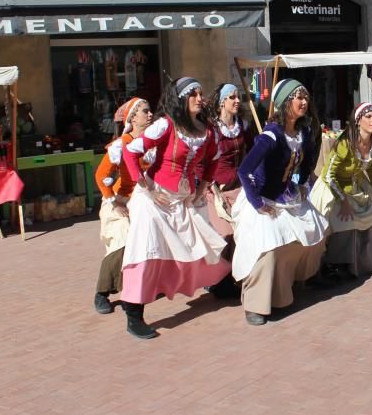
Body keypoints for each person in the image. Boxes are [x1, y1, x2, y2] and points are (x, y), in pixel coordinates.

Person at [119, 78, 230, 340]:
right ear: (181, 98)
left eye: (201, 93)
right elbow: (130, 152)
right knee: (147, 252)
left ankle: (220, 285)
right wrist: (146, 186)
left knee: (201, 244)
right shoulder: (165, 125)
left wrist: (202, 188)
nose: (200, 98)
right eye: (194, 93)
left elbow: (213, 160)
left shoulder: (207, 130)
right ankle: (133, 315)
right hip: (154, 201)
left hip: (183, 200)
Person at [231, 79, 328, 326]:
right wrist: (256, 203)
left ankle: (291, 283)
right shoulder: (271, 135)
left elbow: (306, 163)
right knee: (268, 247)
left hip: (288, 196)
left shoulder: (303, 132)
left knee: (317, 233)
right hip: (262, 198)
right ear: (286, 102)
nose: (304, 102)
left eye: (306, 97)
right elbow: (244, 171)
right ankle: (255, 304)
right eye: (298, 97)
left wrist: (303, 183)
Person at [310, 102, 372, 277]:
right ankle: (335, 264)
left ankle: (369, 258)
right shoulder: (345, 143)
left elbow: (371, 169)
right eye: (369, 117)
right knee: (344, 221)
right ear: (358, 121)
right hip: (332, 187)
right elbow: (328, 175)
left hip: (355, 185)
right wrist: (343, 202)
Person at [92, 97, 152, 315]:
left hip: (145, 201)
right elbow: (101, 176)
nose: (150, 114)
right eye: (145, 111)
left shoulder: (152, 141)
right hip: (121, 200)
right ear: (133, 117)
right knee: (122, 242)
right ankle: (102, 292)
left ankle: (136, 289)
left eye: (150, 110)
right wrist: (114, 202)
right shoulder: (122, 144)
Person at [203, 83, 255, 298]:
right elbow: (203, 158)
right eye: (232, 97)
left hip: (239, 189)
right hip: (216, 190)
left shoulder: (242, 125)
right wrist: (210, 184)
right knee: (225, 235)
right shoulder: (211, 128)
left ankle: (235, 277)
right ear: (221, 101)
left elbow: (253, 151)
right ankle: (217, 280)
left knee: (243, 233)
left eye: (238, 97)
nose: (237, 101)